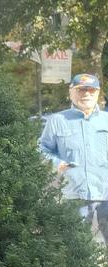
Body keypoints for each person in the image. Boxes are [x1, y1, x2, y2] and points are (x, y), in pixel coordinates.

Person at [39, 73, 108, 240]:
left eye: (91, 90)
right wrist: (56, 163)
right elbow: (41, 149)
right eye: (81, 90)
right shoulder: (57, 120)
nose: (86, 94)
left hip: (106, 194)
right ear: (71, 92)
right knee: (76, 246)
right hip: (74, 197)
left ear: (98, 93)